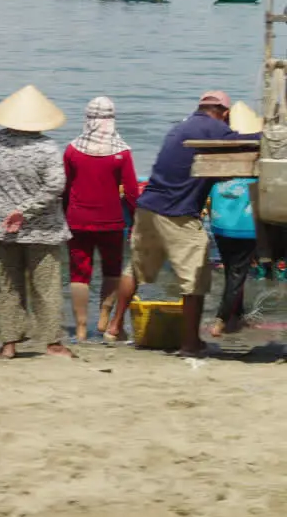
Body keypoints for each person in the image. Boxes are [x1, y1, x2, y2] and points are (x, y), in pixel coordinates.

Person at [105, 91, 261, 354]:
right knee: (195, 279)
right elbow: (244, 144)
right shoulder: (214, 128)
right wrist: (268, 136)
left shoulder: (180, 127)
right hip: (177, 214)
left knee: (135, 269)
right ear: (225, 113)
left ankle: (114, 327)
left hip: (147, 208)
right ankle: (190, 343)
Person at [0, 85, 73, 359]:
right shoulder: (46, 148)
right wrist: (27, 210)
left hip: (1, 227)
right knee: (46, 287)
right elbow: (56, 185)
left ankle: (9, 344)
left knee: (8, 286)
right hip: (43, 229)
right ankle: (52, 342)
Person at [62, 96, 139, 342]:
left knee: (79, 273)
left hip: (78, 219)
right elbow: (131, 192)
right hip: (111, 220)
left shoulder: (72, 150)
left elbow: (64, 187)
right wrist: (136, 220)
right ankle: (105, 322)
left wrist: (64, 214)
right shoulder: (122, 152)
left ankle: (82, 329)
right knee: (112, 269)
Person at [207, 101, 263, 337]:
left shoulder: (222, 154)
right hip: (244, 225)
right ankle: (221, 320)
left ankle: (236, 317)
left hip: (219, 222)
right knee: (237, 275)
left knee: (232, 269)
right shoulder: (256, 158)